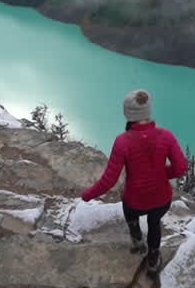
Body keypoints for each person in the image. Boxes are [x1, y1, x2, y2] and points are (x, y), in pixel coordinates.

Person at [81, 89, 188, 274]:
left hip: (136, 201)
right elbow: (181, 168)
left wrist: (88, 195)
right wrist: (161, 174)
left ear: (127, 114)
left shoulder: (123, 141)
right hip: (162, 199)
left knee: (129, 207)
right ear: (148, 111)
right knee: (155, 224)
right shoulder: (166, 136)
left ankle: (137, 238)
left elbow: (109, 180)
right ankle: (153, 259)